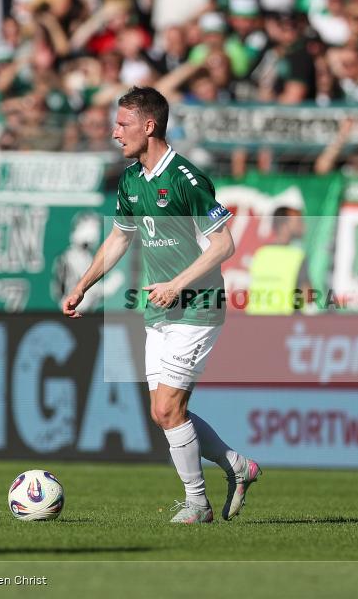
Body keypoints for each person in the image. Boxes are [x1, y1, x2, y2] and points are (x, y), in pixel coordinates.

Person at [62, 86, 261, 524]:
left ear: (149, 126)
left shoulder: (188, 179)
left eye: (122, 124)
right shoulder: (132, 180)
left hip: (199, 305)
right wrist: (84, 284)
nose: (115, 133)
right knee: (164, 412)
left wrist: (177, 283)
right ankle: (237, 467)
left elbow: (224, 244)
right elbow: (119, 237)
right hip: (160, 308)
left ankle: (197, 504)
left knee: (169, 408)